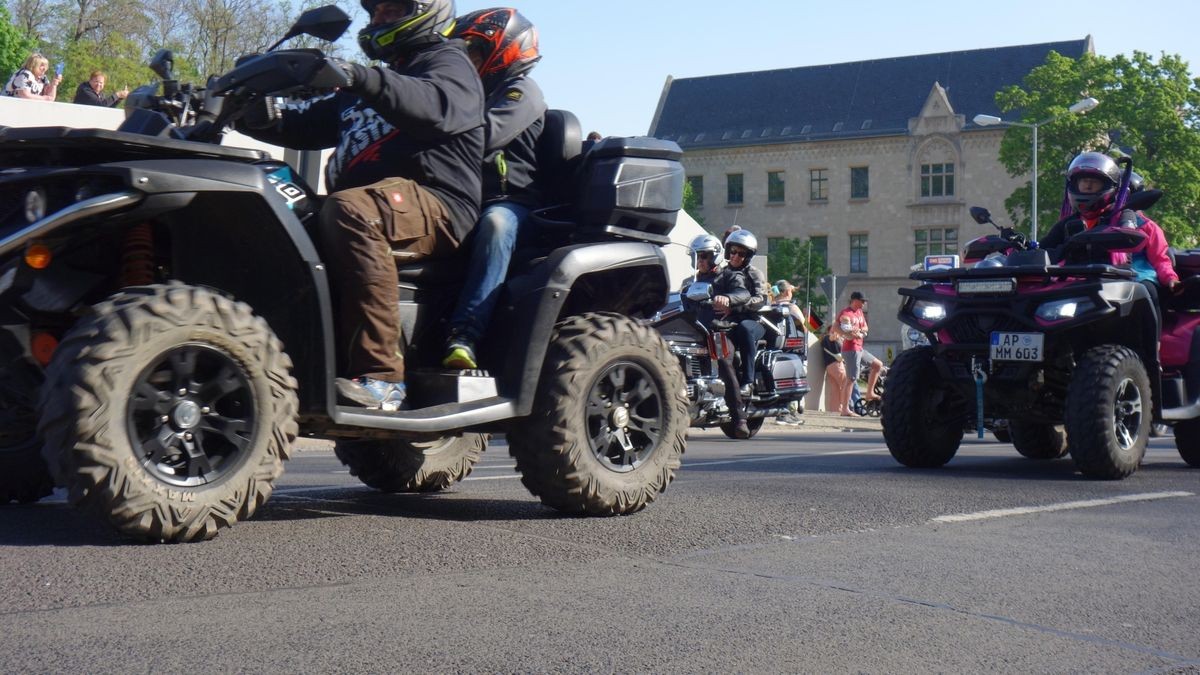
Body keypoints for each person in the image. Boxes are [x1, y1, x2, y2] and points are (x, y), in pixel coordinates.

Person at [239, 0, 484, 411]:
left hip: (437, 205)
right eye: (375, 12)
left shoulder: (447, 62)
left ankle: (384, 378)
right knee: (275, 211)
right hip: (374, 205)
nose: (378, 20)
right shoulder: (365, 90)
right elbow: (303, 124)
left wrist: (359, 76)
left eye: (392, 10)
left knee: (350, 209)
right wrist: (246, 111)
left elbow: (435, 106)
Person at [441, 7, 544, 370]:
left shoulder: (522, 92)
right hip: (465, 199)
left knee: (496, 225)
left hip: (513, 205)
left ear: (505, 50)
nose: (467, 59)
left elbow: (484, 136)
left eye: (474, 51)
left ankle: (464, 334)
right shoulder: (466, 95)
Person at [1040, 152, 1181, 302]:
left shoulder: (1139, 223)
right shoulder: (1068, 224)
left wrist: (1170, 278)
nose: (1088, 186)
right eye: (1084, 181)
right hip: (1080, 281)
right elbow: (1043, 249)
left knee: (1147, 291)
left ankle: (1153, 326)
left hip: (1130, 280)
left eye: (1094, 182)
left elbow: (1160, 259)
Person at [720, 229, 767, 398]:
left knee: (745, 329)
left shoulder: (754, 273)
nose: (735, 256)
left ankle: (748, 381)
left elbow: (761, 299)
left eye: (741, 254)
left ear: (747, 256)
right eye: (733, 251)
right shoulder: (721, 273)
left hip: (751, 321)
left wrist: (735, 305)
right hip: (727, 322)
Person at [836, 291, 878, 416]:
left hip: (859, 347)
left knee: (877, 365)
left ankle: (870, 393)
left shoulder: (859, 312)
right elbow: (839, 329)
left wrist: (859, 331)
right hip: (851, 349)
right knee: (851, 379)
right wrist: (849, 333)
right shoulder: (846, 313)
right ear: (855, 300)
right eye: (862, 300)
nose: (864, 303)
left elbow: (865, 328)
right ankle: (845, 409)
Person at [820, 324, 849, 414]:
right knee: (846, 384)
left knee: (834, 389)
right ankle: (845, 407)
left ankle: (835, 410)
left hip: (829, 366)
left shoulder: (824, 339)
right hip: (836, 365)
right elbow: (832, 338)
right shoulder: (830, 337)